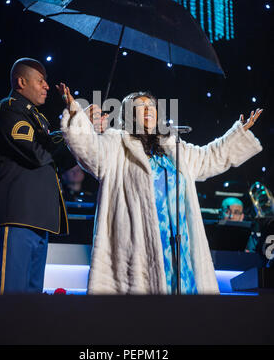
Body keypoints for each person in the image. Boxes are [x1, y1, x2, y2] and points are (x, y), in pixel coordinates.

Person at [58, 84, 263, 294]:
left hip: (178, 249)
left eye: (152, 106)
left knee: (183, 314)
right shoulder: (115, 145)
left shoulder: (174, 148)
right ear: (129, 114)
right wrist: (76, 114)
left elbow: (210, 157)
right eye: (140, 106)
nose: (148, 109)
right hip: (138, 250)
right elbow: (89, 149)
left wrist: (238, 133)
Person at [0, 58, 75, 294]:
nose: (47, 86)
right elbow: (36, 153)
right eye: (41, 80)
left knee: (31, 303)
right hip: (17, 215)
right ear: (21, 81)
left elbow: (59, 162)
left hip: (37, 218)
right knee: (12, 297)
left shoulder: (39, 119)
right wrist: (71, 129)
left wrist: (82, 128)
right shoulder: (9, 108)